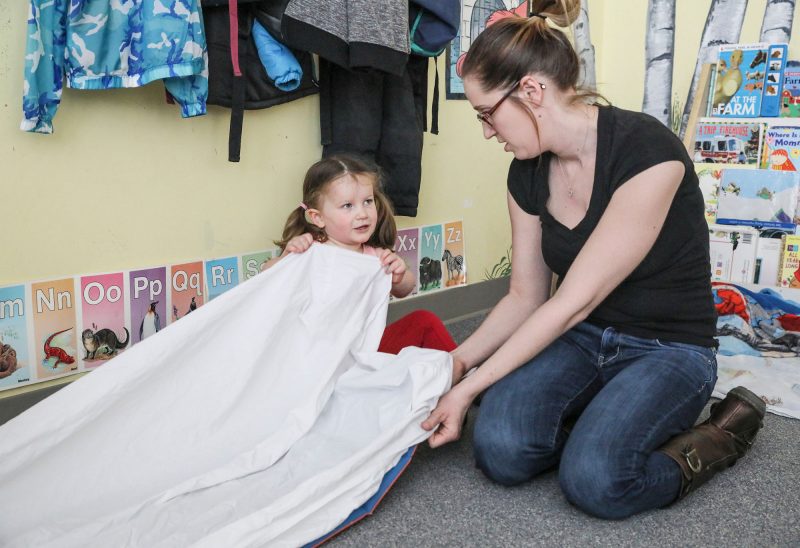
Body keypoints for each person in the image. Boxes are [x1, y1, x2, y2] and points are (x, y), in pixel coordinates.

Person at [421, 0, 765, 520]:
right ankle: (601, 427)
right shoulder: (526, 173)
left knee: (597, 481)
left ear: (531, 91)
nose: (488, 132)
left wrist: (469, 388)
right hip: (584, 339)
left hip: (669, 347)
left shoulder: (647, 150)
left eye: (487, 114)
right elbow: (526, 295)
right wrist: (461, 361)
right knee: (499, 450)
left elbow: (573, 302)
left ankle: (717, 437)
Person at [262, 154, 457, 354]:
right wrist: (287, 257)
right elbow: (265, 279)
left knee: (424, 322)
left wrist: (399, 275)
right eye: (348, 206)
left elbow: (405, 288)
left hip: (364, 352)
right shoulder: (311, 250)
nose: (362, 213)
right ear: (318, 218)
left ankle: (463, 375)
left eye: (368, 201)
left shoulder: (375, 256)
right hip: (318, 359)